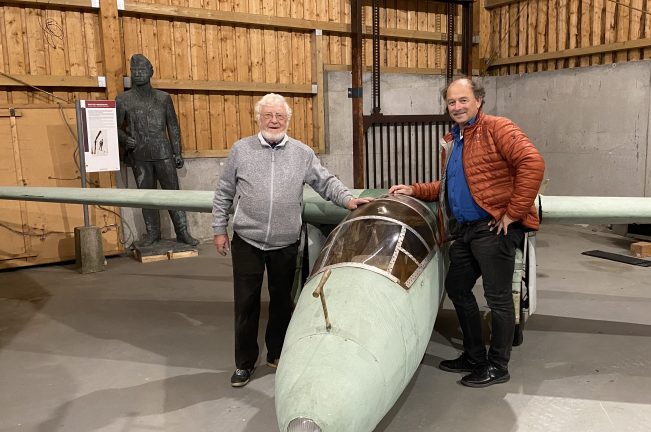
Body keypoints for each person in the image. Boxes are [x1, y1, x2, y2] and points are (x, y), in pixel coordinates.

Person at [389, 76, 545, 388]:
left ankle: (497, 365)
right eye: (451, 102)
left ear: (478, 101)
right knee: (457, 288)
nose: (457, 106)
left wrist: (513, 213)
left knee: (498, 298)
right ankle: (474, 356)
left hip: (493, 228)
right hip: (466, 231)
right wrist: (415, 189)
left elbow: (533, 162)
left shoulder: (497, 128)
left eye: (463, 100)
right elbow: (451, 186)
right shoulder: (455, 139)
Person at [212, 93, 370, 388]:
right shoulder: (241, 150)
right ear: (258, 118)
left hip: (285, 242)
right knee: (246, 304)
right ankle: (244, 363)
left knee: (282, 301)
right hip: (248, 239)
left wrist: (347, 199)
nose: (274, 121)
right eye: (268, 115)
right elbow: (223, 192)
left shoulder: (302, 153)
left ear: (287, 120)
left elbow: (325, 181)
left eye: (280, 117)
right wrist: (219, 228)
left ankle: (276, 353)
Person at [116, 54, 198, 247]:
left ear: (151, 72)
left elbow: (173, 126)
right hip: (139, 155)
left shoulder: (163, 98)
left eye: (142, 71)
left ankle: (182, 232)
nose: (138, 74)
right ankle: (152, 233)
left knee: (174, 194)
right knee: (146, 196)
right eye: (134, 71)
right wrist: (124, 139)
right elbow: (114, 126)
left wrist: (177, 152)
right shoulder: (123, 100)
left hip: (164, 153)